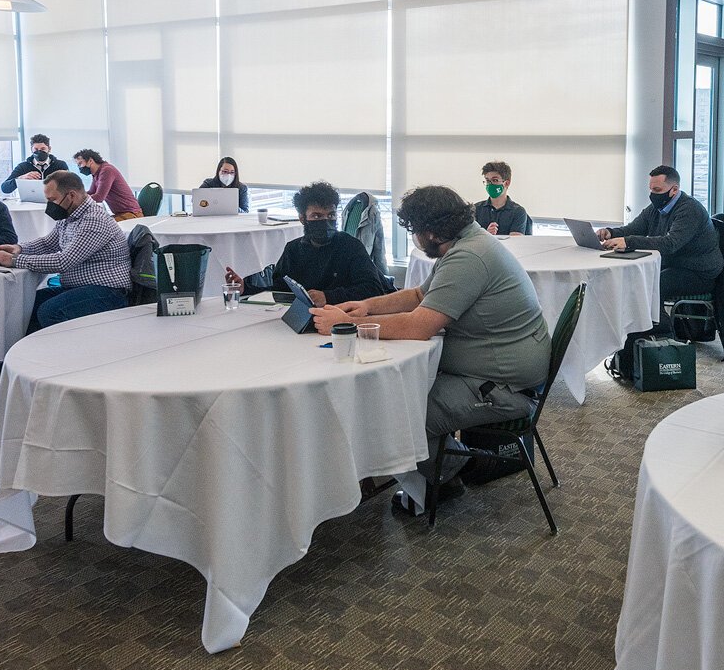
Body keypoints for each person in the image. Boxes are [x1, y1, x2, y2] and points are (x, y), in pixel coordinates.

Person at [312, 185, 550, 517]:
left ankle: (449, 474)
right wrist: (365, 307)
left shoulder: (469, 257)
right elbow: (419, 296)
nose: (414, 239)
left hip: (506, 388)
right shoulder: (468, 242)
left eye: (414, 232)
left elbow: (418, 326)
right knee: (399, 394)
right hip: (496, 372)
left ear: (431, 232)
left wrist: (347, 326)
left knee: (399, 409)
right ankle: (444, 463)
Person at [0, 170, 131, 330]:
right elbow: (49, 243)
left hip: (108, 291)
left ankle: (66, 352)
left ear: (71, 196)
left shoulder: (93, 220)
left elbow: (63, 262)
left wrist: (13, 260)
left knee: (50, 312)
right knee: (26, 304)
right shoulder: (70, 214)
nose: (49, 205)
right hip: (82, 286)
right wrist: (18, 249)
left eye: (52, 200)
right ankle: (33, 351)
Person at [224, 181, 388, 307]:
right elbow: (280, 288)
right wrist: (247, 288)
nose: (325, 221)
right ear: (302, 218)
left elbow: (373, 289)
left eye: (330, 215)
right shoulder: (293, 249)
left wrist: (328, 297)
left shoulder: (350, 246)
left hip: (345, 319)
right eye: (317, 216)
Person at [599, 165, 722, 296]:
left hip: (699, 272)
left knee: (650, 287)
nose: (653, 195)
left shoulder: (690, 209)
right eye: (651, 190)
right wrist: (610, 232)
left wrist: (628, 242)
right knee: (636, 280)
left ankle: (655, 318)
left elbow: (670, 244)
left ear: (674, 189)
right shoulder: (656, 208)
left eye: (657, 190)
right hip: (673, 265)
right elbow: (634, 228)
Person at [73, 149, 142, 221]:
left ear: (90, 161)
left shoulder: (107, 170)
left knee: (100, 226)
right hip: (121, 213)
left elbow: (99, 197)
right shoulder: (97, 173)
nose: (79, 167)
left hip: (132, 214)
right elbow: (91, 192)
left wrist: (78, 201)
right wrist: (77, 196)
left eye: (80, 163)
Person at [474, 161, 530, 236]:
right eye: (487, 181)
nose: (490, 185)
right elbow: (469, 240)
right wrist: (486, 235)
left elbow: (516, 243)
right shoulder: (476, 209)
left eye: (495, 180)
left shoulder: (518, 212)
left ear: (506, 183)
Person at [0, 134, 68, 195]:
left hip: (55, 203)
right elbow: (5, 188)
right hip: (30, 205)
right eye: (36, 149)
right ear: (31, 149)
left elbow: (70, 186)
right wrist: (20, 178)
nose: (39, 151)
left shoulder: (60, 165)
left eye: (43, 149)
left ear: (49, 149)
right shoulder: (23, 167)